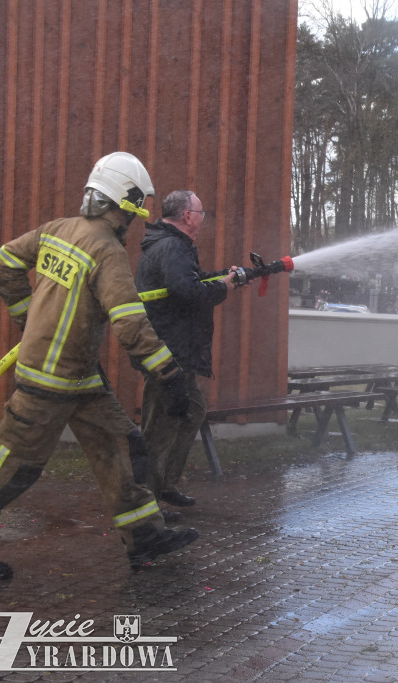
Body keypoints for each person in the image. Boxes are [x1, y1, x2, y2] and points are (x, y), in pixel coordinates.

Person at [0, 152, 198, 583]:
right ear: (123, 201)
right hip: (48, 382)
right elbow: (130, 322)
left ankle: (145, 535)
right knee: (11, 467)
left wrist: (27, 317)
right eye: (136, 204)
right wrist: (168, 375)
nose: (137, 215)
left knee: (121, 445)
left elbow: (2, 263)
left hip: (79, 377)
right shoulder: (107, 250)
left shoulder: (58, 229)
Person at [135, 191, 243, 515]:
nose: (203, 218)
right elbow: (187, 292)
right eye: (201, 212)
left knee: (193, 410)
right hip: (168, 354)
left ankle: (166, 484)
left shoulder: (177, 247)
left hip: (179, 352)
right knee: (160, 425)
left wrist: (225, 276)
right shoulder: (170, 246)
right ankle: (147, 502)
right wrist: (223, 287)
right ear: (187, 215)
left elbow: (189, 282)